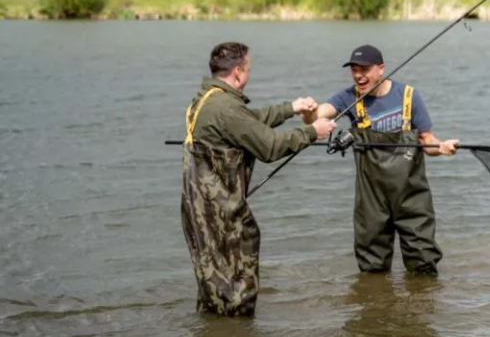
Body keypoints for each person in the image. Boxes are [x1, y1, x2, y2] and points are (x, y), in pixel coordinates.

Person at [180, 41, 336, 317]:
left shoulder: (207, 99)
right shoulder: (227, 108)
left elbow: (251, 121)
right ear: (238, 72)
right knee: (237, 289)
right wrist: (313, 131)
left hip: (198, 212)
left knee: (213, 284)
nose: (249, 75)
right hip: (222, 217)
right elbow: (270, 147)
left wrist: (292, 108)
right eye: (248, 69)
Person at [302, 44, 459, 276]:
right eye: (354, 70)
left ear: (381, 68)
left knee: (423, 262)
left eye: (364, 69)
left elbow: (427, 141)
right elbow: (317, 116)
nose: (358, 75)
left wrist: (443, 147)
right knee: (372, 267)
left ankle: (423, 307)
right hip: (371, 198)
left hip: (411, 194)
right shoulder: (349, 98)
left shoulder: (408, 96)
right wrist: (309, 111)